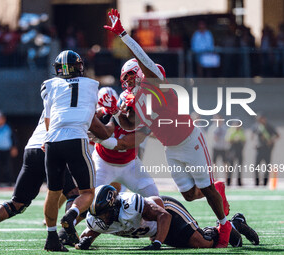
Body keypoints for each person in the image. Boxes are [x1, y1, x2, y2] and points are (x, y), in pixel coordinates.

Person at [102, 9, 231, 248]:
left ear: (141, 73)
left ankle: (225, 224)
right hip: (170, 148)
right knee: (190, 195)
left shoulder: (156, 84)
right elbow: (130, 126)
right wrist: (115, 113)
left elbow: (144, 59)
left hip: (189, 139)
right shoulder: (137, 100)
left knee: (206, 186)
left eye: (131, 77)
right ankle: (217, 191)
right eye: (125, 80)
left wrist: (123, 35)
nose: (128, 83)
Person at [0, 101, 112, 247]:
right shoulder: (78, 104)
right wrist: (115, 119)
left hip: (32, 148)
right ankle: (64, 234)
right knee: (74, 194)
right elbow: (101, 131)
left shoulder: (57, 100)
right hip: (53, 146)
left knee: (17, 203)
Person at [41, 50, 113, 251]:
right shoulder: (91, 86)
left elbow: (49, 120)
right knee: (87, 192)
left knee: (53, 192)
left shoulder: (49, 85)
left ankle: (51, 237)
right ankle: (71, 215)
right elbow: (92, 121)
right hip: (75, 139)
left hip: (52, 139)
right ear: (80, 67)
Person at [75, 185, 259, 250]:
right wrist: (83, 243)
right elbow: (89, 234)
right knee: (191, 245)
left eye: (106, 213)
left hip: (167, 212)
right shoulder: (98, 219)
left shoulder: (130, 204)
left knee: (202, 243)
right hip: (156, 229)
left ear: (114, 205)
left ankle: (235, 223)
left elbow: (163, 215)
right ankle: (234, 227)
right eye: (100, 215)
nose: (104, 219)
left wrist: (157, 243)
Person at [252, 114, 279, 186]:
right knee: (256, 166)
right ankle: (257, 182)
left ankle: (265, 182)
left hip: (267, 149)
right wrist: (254, 142)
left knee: (267, 166)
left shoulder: (269, 126)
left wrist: (271, 140)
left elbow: (277, 135)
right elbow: (252, 135)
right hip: (259, 149)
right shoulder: (256, 126)